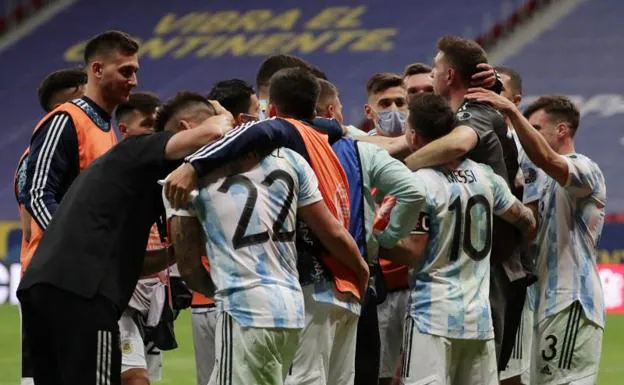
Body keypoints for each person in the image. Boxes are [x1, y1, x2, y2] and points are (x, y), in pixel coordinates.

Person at [164, 68, 370, 385]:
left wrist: (220, 292)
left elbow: (189, 267)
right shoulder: (291, 159)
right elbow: (331, 230)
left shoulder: (187, 175)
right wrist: (360, 268)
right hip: (290, 308)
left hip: (243, 307)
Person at [16, 94, 234, 385]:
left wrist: (176, 251)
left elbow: (135, 262)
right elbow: (218, 131)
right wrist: (222, 113)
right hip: (86, 292)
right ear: (185, 129)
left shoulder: (131, 180)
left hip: (42, 290)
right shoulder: (141, 148)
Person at [382, 93, 536, 385]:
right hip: (478, 318)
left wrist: (376, 242)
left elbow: (413, 252)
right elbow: (526, 221)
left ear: (413, 137)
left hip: (432, 316)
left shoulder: (419, 183)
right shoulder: (485, 176)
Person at [401, 36, 527, 370]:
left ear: (451, 75)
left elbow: (461, 142)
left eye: (436, 66)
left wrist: (402, 172)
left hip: (489, 266)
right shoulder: (462, 115)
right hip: (475, 269)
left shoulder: (474, 112)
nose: (432, 75)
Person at [466, 89, 606, 385]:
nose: (528, 135)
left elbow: (545, 158)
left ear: (562, 130)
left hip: (571, 300)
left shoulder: (584, 167)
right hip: (544, 301)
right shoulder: (542, 182)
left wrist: (513, 114)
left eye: (536, 128)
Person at [314, 79, 424, 385]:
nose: (394, 111)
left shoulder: (431, 152)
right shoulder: (359, 146)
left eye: (400, 103)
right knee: (373, 374)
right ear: (368, 110)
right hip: (373, 281)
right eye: (385, 104)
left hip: (413, 285)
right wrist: (384, 241)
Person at [21, 30, 140, 275]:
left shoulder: (105, 128)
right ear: (97, 70)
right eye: (126, 72)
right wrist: (76, 246)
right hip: (56, 274)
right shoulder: (66, 119)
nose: (134, 81)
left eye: (135, 72)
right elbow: (37, 193)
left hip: (86, 273)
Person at [13, 66, 87, 385]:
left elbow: (27, 230)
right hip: (59, 272)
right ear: (75, 94)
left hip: (35, 270)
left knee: (37, 372)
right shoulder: (58, 151)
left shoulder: (29, 156)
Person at [115, 92, 171, 385]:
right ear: (124, 130)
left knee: (149, 378)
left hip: (155, 298)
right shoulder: (112, 175)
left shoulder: (162, 172)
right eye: (147, 124)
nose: (154, 132)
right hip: (121, 296)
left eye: (157, 125)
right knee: (136, 380)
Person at [496, 66, 536, 385]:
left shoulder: (527, 150)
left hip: (512, 272)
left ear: (515, 100)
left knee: (509, 372)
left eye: (498, 89)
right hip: (474, 272)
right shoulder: (470, 139)